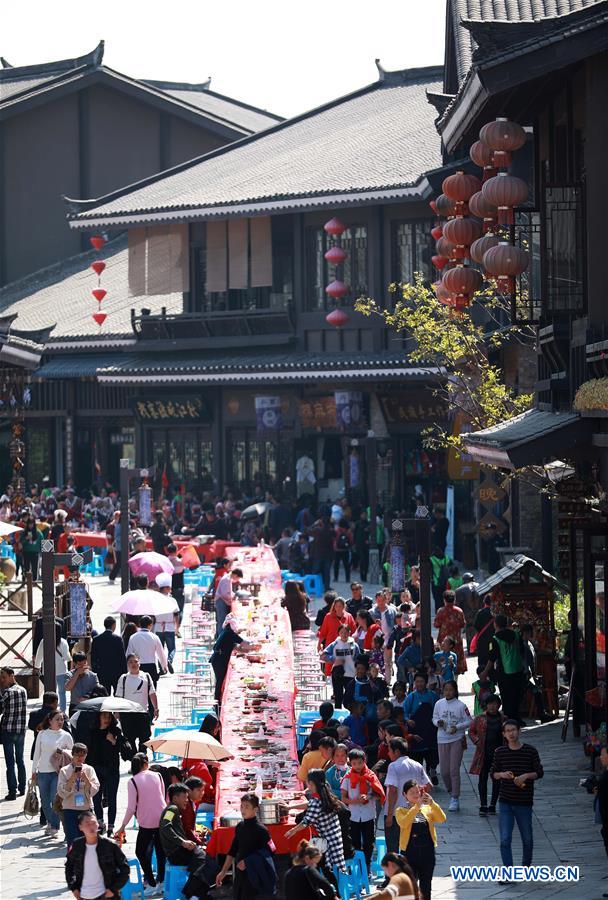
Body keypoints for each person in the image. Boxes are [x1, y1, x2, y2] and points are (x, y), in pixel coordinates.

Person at [490, 719, 544, 873]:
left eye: (513, 730)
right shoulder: (500, 752)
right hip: (505, 801)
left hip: (524, 802)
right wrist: (502, 774)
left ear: (519, 731)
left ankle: (526, 867)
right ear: (504, 734)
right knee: (505, 839)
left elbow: (539, 772)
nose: (511, 733)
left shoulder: (530, 751)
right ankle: (508, 872)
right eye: (507, 731)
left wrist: (526, 776)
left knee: (527, 838)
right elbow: (493, 773)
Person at [115, 753, 167, 894]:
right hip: (161, 819)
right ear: (146, 763)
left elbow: (132, 807)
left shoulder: (132, 781)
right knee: (161, 852)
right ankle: (161, 882)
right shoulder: (158, 775)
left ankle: (150, 882)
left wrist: (122, 826)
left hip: (147, 822)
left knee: (140, 852)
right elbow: (162, 797)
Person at [159, 783, 218, 899]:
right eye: (184, 797)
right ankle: (191, 892)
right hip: (176, 852)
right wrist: (183, 842)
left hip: (180, 849)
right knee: (206, 861)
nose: (187, 800)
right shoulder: (172, 809)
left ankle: (198, 893)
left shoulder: (175, 809)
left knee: (207, 859)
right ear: (175, 798)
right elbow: (165, 826)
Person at [216, 792, 276, 899]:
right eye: (241, 806)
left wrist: (249, 861)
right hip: (241, 873)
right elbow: (232, 851)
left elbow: (270, 852)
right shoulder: (240, 826)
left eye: (247, 807)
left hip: (256, 873)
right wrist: (223, 871)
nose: (243, 810)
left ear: (256, 809)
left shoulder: (262, 830)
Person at [286, 769, 347, 874]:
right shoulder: (326, 794)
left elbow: (306, 821)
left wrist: (293, 830)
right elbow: (310, 804)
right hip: (335, 840)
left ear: (311, 783)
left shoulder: (317, 801)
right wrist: (290, 807)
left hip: (326, 844)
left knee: (309, 861)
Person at [395, 780, 445, 900]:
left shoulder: (427, 808)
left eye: (417, 791)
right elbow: (404, 823)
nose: (416, 794)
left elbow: (442, 818)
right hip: (409, 852)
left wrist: (433, 804)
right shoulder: (400, 810)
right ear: (404, 794)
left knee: (426, 885)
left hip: (427, 851)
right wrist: (416, 807)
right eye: (412, 792)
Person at [65, 811, 130, 900]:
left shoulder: (110, 846)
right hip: (84, 895)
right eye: (87, 823)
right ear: (80, 827)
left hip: (106, 896)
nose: (91, 826)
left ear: (98, 825)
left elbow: (125, 869)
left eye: (93, 823)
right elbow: (69, 867)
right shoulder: (77, 845)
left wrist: (113, 889)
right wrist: (73, 888)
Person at [384, 737, 431, 854]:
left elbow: (393, 790)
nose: (388, 753)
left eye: (389, 750)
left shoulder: (393, 766)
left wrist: (389, 815)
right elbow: (428, 785)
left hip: (396, 813)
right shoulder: (417, 765)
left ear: (397, 752)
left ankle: (394, 872)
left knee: (393, 848)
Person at [341, 748, 385, 872]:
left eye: (360, 763)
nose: (357, 766)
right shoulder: (348, 777)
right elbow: (344, 798)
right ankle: (358, 867)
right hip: (353, 816)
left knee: (368, 842)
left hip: (368, 815)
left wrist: (369, 796)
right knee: (355, 843)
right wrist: (356, 801)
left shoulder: (370, 776)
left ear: (364, 761)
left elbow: (379, 794)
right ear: (350, 763)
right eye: (354, 763)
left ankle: (367, 866)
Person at [31, 708, 74, 837]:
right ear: (50, 721)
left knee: (54, 800)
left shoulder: (66, 735)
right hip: (43, 772)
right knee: (44, 802)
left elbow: (73, 753)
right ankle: (50, 822)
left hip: (58, 773)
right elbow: (36, 753)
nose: (60, 721)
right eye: (57, 719)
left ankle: (55, 826)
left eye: (62, 719)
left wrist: (63, 752)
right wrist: (33, 771)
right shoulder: (42, 734)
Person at [432, 681, 471, 812]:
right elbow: (434, 718)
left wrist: (457, 727)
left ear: (455, 691)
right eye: (446, 690)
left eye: (451, 690)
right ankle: (450, 789)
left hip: (456, 739)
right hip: (442, 739)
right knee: (444, 771)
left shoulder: (461, 705)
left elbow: (469, 721)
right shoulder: (439, 704)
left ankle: (455, 797)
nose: (448, 692)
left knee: (454, 770)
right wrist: (438, 722)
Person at [480, 614, 526, 724]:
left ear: (495, 625)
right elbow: (522, 650)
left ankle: (508, 719)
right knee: (516, 696)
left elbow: (492, 658)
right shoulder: (516, 635)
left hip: (504, 672)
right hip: (518, 670)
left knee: (506, 697)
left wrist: (485, 672)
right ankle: (517, 718)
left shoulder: (495, 639)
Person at [88, 712, 124, 837]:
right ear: (98, 717)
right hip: (96, 769)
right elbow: (89, 751)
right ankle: (100, 823)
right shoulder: (92, 731)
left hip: (112, 770)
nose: (106, 719)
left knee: (112, 798)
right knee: (96, 798)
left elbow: (125, 749)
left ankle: (111, 826)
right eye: (104, 716)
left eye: (109, 716)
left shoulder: (116, 731)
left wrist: (114, 741)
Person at [57, 742, 100, 847]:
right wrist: (72, 779)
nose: (80, 758)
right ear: (73, 755)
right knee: (72, 840)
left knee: (88, 839)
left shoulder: (89, 770)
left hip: (85, 808)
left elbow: (95, 789)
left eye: (83, 755)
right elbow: (61, 792)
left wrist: (86, 780)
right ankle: (73, 861)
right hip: (70, 809)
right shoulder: (65, 770)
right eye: (77, 755)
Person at [469, 694, 505, 816]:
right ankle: (483, 804)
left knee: (497, 780)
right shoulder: (480, 718)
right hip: (483, 753)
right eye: (490, 704)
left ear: (499, 705)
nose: (492, 706)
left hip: (499, 754)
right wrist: (477, 741)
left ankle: (493, 804)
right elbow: (471, 731)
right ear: (486, 705)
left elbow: (511, 731)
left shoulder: (504, 719)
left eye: (495, 704)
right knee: (482, 779)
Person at [115, 654, 159, 752]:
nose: (133, 664)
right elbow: (118, 696)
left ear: (139, 663)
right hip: (127, 714)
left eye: (135, 661)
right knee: (129, 739)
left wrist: (156, 708)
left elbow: (152, 693)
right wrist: (117, 711)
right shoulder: (123, 678)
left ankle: (142, 759)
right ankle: (134, 761)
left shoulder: (146, 676)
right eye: (130, 662)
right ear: (127, 664)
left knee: (145, 739)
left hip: (143, 713)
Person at [402, 672, 439, 786]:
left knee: (432, 753)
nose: (419, 684)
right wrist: (408, 720)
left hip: (430, 730)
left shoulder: (432, 696)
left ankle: (432, 771)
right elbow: (404, 713)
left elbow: (437, 711)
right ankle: (419, 778)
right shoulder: (411, 697)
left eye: (421, 681)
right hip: (416, 730)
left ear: (426, 682)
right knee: (417, 756)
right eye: (417, 681)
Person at [0, 665, 28, 800]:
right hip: (21, 730)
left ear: (12, 675)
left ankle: (12, 791)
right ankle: (22, 788)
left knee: (10, 762)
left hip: (8, 730)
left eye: (4, 677)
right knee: (20, 760)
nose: (2, 680)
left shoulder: (6, 693)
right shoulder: (23, 690)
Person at [210, 621, 252, 705]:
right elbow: (244, 644)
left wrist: (249, 650)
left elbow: (235, 647)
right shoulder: (230, 634)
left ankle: (218, 702)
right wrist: (254, 646)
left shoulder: (227, 632)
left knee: (220, 682)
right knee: (220, 682)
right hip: (219, 660)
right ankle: (217, 703)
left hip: (218, 659)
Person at [321, 623, 359, 710]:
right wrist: (335, 659)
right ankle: (338, 714)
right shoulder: (334, 644)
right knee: (338, 696)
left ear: (349, 633)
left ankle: (351, 714)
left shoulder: (354, 645)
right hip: (337, 673)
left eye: (346, 632)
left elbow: (358, 658)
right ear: (338, 633)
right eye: (341, 632)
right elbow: (323, 656)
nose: (344, 634)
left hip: (351, 673)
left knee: (350, 696)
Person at [33, 625, 72, 711]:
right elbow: (67, 658)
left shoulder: (44, 641)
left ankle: (50, 711)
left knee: (50, 694)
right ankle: (62, 712)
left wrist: (37, 666)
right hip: (61, 671)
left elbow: (39, 656)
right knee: (62, 693)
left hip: (48, 671)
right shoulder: (63, 642)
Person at [521, 623, 552, 722]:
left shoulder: (529, 643)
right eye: (529, 632)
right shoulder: (522, 644)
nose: (530, 634)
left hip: (529, 673)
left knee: (536, 691)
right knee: (534, 691)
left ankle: (542, 714)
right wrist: (528, 672)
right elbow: (524, 660)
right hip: (525, 673)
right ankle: (542, 714)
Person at [90, 616, 128, 697]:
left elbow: (93, 657)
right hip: (117, 672)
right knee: (118, 695)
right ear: (114, 625)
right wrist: (125, 672)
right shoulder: (117, 639)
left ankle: (106, 710)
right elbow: (122, 657)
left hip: (102, 672)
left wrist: (96, 670)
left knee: (104, 695)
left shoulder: (96, 639)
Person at [126, 616, 168, 687]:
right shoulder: (154, 637)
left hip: (138, 666)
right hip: (151, 666)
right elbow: (161, 653)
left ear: (140, 624)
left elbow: (129, 654)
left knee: (139, 689)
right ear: (150, 625)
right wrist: (164, 666)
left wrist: (128, 668)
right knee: (152, 689)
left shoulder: (133, 637)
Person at [153, 572, 181, 672]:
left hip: (158, 628)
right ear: (165, 588)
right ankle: (169, 660)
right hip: (169, 627)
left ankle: (162, 668)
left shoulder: (155, 599)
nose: (170, 589)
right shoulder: (172, 600)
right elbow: (177, 615)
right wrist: (177, 628)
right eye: (169, 587)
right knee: (172, 649)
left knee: (159, 650)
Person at [433, 591, 466, 675]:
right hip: (456, 641)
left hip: (444, 641)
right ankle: (455, 683)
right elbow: (463, 624)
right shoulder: (459, 611)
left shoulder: (441, 611)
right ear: (454, 600)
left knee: (443, 662)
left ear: (444, 600)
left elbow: (436, 625)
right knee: (456, 662)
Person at [371, 591, 398, 685]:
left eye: (383, 600)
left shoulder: (392, 610)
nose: (381, 602)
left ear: (386, 599)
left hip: (389, 639)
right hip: (376, 640)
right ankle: (375, 680)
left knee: (388, 662)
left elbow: (396, 624)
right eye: (379, 600)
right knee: (376, 661)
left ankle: (387, 681)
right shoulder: (372, 612)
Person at [214, 566, 242, 636]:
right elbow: (224, 594)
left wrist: (232, 595)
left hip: (222, 601)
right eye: (238, 578)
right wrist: (231, 598)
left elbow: (228, 591)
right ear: (235, 575)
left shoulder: (228, 578)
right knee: (222, 621)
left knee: (222, 621)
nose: (237, 580)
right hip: (221, 601)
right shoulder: (226, 579)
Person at [455, 573, 479, 649]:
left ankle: (472, 649)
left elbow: (457, 605)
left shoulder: (459, 590)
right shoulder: (480, 585)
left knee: (469, 632)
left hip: (468, 616)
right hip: (480, 613)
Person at [472, 595, 494, 667]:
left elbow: (476, 626)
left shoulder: (480, 612)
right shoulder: (495, 613)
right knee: (492, 655)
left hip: (482, 639)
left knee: (482, 658)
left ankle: (482, 673)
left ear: (484, 602)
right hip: (493, 639)